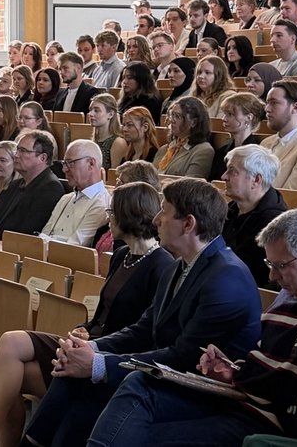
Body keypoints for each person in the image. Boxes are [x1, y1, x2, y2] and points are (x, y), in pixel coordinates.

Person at [89, 209, 297, 447]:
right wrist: (231, 372)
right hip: (239, 402)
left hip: (266, 426)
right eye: (269, 264)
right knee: (138, 385)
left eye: (280, 265)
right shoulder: (293, 295)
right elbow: (265, 364)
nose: (272, 277)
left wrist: (248, 384)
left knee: (140, 436)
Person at [21, 178, 262, 447]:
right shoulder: (177, 266)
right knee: (74, 373)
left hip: (200, 391)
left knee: (95, 378)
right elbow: (144, 328)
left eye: (165, 211)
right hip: (165, 374)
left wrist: (97, 363)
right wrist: (91, 347)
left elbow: (185, 357)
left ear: (188, 223)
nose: (156, 219)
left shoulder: (226, 277)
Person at [0, 182, 173, 447]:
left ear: (130, 214)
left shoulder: (162, 264)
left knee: (11, 377)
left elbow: (144, 331)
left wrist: (91, 346)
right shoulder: (122, 255)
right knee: (10, 343)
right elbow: (102, 314)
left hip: (109, 355)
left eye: (112, 212)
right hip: (91, 342)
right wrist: (83, 329)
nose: (107, 217)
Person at [221, 144, 288, 287]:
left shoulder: (274, 223)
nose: (223, 177)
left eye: (232, 171)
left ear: (256, 179)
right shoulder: (232, 208)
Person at [0, 130, 64, 240]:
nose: (16, 155)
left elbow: (28, 233)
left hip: (12, 251)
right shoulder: (16, 184)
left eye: (23, 151)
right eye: (17, 150)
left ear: (42, 158)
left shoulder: (50, 188)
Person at [41, 139, 110, 246]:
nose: (64, 169)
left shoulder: (101, 204)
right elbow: (43, 236)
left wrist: (46, 241)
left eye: (70, 163)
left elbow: (74, 248)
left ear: (91, 163)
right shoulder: (66, 198)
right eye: (64, 163)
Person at [209, 92, 266, 181]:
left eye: (230, 114)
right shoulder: (221, 152)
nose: (224, 118)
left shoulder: (257, 153)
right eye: (225, 114)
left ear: (248, 117)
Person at [153, 97, 214, 178]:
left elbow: (191, 185)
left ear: (194, 122)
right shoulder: (165, 148)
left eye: (178, 116)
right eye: (172, 115)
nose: (172, 120)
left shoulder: (203, 150)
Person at [89, 93, 128, 170]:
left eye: (96, 110)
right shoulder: (94, 141)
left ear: (110, 114)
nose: (91, 114)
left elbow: (113, 176)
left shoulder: (118, 142)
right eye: (90, 110)